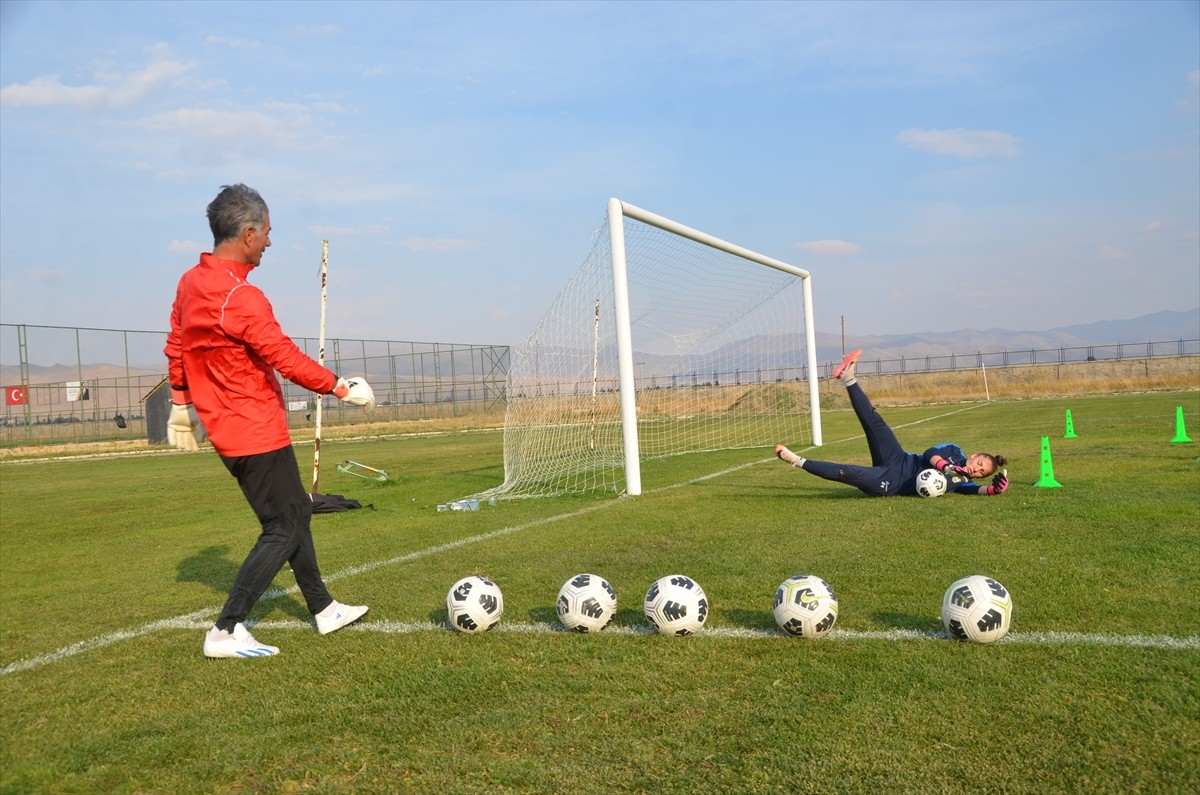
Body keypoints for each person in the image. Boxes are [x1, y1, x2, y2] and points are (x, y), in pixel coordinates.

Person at [164, 183, 376, 658]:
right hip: (254, 428)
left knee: (294, 513)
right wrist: (340, 387)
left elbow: (177, 342)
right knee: (281, 528)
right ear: (247, 234)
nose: (270, 243)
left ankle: (323, 608)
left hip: (229, 431)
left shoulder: (190, 282)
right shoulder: (241, 296)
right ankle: (225, 629)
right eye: (267, 233)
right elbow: (283, 356)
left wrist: (182, 403)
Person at [775, 349, 1009, 498]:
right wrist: (946, 467)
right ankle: (848, 378)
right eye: (979, 463)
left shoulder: (962, 482)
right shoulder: (954, 451)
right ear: (975, 454)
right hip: (899, 458)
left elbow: (978, 491)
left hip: (894, 483)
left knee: (848, 473)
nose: (975, 470)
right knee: (875, 422)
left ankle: (797, 460)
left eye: (980, 472)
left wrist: (994, 490)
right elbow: (929, 454)